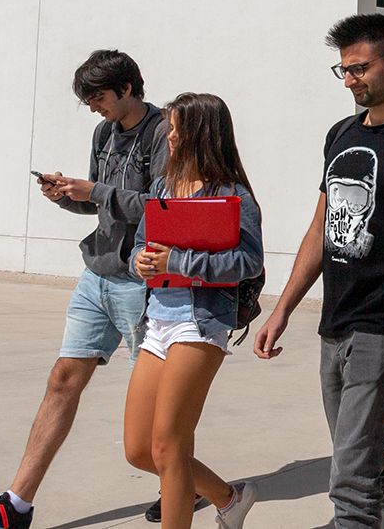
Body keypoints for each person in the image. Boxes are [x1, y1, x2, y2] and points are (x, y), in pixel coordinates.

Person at [251, 15, 384, 529]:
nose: (350, 80)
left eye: (359, 68)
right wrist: (282, 309)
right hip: (337, 319)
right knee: (364, 459)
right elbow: (319, 230)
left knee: (348, 480)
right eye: (343, 70)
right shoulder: (341, 134)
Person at [0, 50, 170, 528]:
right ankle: (16, 505)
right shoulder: (103, 133)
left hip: (144, 282)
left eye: (99, 97)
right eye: (87, 100)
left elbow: (167, 207)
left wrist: (96, 192)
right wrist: (68, 197)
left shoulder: (167, 131)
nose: (93, 107)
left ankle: (179, 486)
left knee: (156, 399)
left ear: (127, 87)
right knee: (62, 380)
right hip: (98, 274)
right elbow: (102, 208)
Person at [124, 92, 263, 528]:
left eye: (176, 127)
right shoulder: (163, 188)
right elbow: (140, 247)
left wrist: (178, 262)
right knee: (139, 450)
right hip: (158, 322)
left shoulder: (232, 195)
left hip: (200, 324)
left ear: (200, 134)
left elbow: (248, 262)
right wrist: (141, 262)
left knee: (169, 447)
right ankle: (229, 498)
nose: (168, 135)